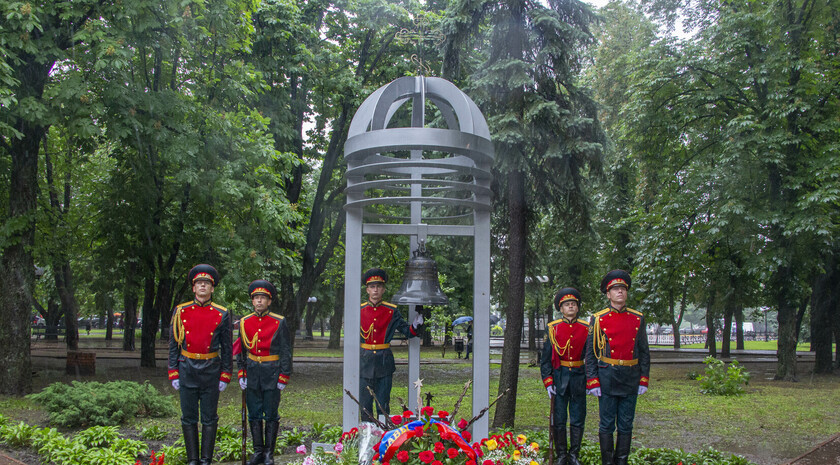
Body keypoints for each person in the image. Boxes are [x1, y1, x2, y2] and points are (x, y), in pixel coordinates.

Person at [168, 264, 233, 465]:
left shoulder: (222, 313)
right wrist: (173, 372)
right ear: (193, 288)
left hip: (211, 370)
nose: (203, 286)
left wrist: (225, 374)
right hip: (187, 367)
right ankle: (192, 460)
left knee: (209, 417)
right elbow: (173, 345)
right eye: (199, 283)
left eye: (206, 283)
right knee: (188, 417)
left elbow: (227, 348)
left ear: (212, 289)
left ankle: (206, 459)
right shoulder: (181, 311)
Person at [585, 270, 650, 465]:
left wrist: (644, 378)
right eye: (615, 289)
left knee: (626, 424)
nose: (619, 292)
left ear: (627, 292)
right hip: (607, 377)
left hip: (630, 376)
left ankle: (621, 462)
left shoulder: (638, 318)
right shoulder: (598, 319)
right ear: (608, 294)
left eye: (623, 288)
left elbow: (644, 351)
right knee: (606, 424)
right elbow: (590, 353)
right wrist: (593, 381)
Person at [237, 280, 291, 465]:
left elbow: (285, 351)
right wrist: (241, 373)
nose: (259, 301)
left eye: (263, 298)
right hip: (252, 372)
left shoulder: (279, 321)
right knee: (253, 413)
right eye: (256, 298)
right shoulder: (244, 322)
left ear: (269, 301)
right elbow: (241, 352)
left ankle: (269, 452)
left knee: (270, 413)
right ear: (252, 301)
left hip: (272, 372)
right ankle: (257, 450)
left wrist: (284, 375)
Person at [359, 268, 424, 422]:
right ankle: (367, 438)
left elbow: (407, 332)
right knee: (364, 406)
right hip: (363, 362)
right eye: (372, 286)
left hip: (384, 362)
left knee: (383, 405)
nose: (375, 290)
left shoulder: (391, 311)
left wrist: (416, 324)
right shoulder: (359, 310)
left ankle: (383, 438)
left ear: (383, 289)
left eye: (379, 286)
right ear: (367, 289)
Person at [541, 287, 588, 465]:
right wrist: (548, 381)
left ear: (577, 308)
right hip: (559, 379)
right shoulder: (553, 329)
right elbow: (545, 359)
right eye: (567, 304)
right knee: (559, 420)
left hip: (579, 378)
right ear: (560, 309)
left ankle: (574, 455)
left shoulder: (586, 329)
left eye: (573, 304)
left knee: (577, 418)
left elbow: (590, 357)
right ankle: (561, 455)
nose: (570, 307)